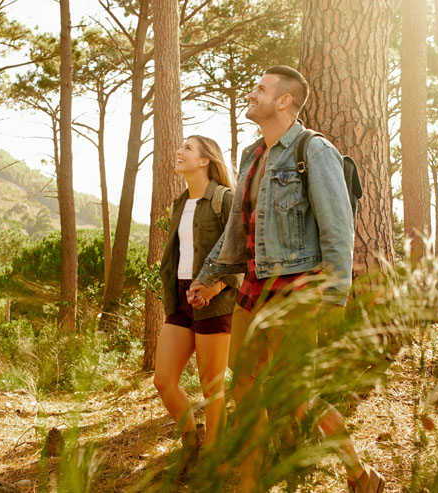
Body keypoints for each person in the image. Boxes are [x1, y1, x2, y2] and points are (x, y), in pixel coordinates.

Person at [188, 66, 385, 493]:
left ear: (284, 101)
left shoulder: (313, 150)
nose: (252, 93)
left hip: (295, 290)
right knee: (243, 387)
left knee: (297, 397)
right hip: (253, 291)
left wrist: (333, 296)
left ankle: (361, 474)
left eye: (261, 88)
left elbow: (338, 226)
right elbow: (237, 230)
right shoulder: (252, 156)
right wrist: (211, 277)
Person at [153, 135, 240, 478]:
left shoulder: (224, 199)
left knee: (211, 388)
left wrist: (215, 286)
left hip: (216, 300)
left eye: (187, 148)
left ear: (205, 160)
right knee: (163, 380)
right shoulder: (179, 202)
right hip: (181, 295)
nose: (179, 151)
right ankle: (192, 444)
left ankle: (214, 460)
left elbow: (242, 254)